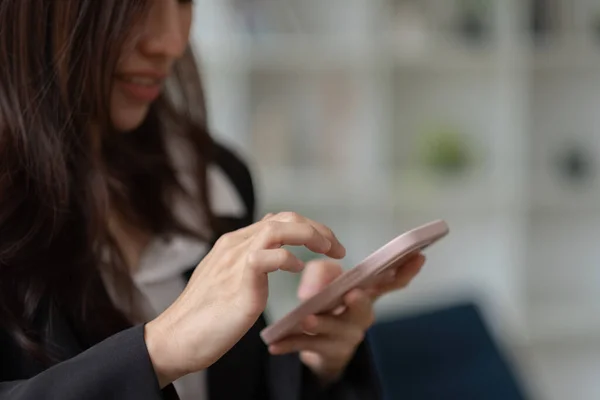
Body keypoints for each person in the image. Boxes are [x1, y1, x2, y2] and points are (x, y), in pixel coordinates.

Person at [0, 1, 426, 399]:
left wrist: (318, 362)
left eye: (184, 0)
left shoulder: (214, 177)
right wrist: (158, 352)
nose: (171, 41)